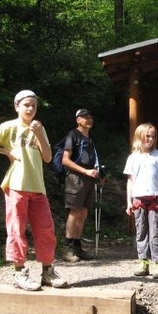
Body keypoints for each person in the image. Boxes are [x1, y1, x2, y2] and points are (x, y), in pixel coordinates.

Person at [0, 89, 68, 291]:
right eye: (26, 105)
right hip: (16, 184)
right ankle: (19, 272)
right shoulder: (9, 126)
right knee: (17, 229)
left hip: (38, 186)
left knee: (46, 229)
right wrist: (6, 152)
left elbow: (47, 157)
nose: (30, 108)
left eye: (34, 105)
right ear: (17, 106)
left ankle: (47, 272)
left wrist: (38, 133)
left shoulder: (39, 128)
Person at [123, 123, 158, 279]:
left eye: (153, 136)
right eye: (147, 136)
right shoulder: (133, 158)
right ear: (140, 137)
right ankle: (143, 262)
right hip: (138, 199)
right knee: (141, 231)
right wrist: (129, 201)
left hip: (155, 198)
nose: (150, 139)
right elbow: (130, 180)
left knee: (156, 231)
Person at [60, 108, 102, 262]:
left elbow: (95, 159)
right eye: (85, 117)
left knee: (83, 213)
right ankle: (68, 249)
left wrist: (99, 176)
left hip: (90, 179)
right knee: (74, 212)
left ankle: (78, 247)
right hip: (76, 178)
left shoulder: (91, 137)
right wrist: (85, 171)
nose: (89, 119)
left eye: (90, 116)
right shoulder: (73, 135)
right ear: (78, 120)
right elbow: (65, 160)